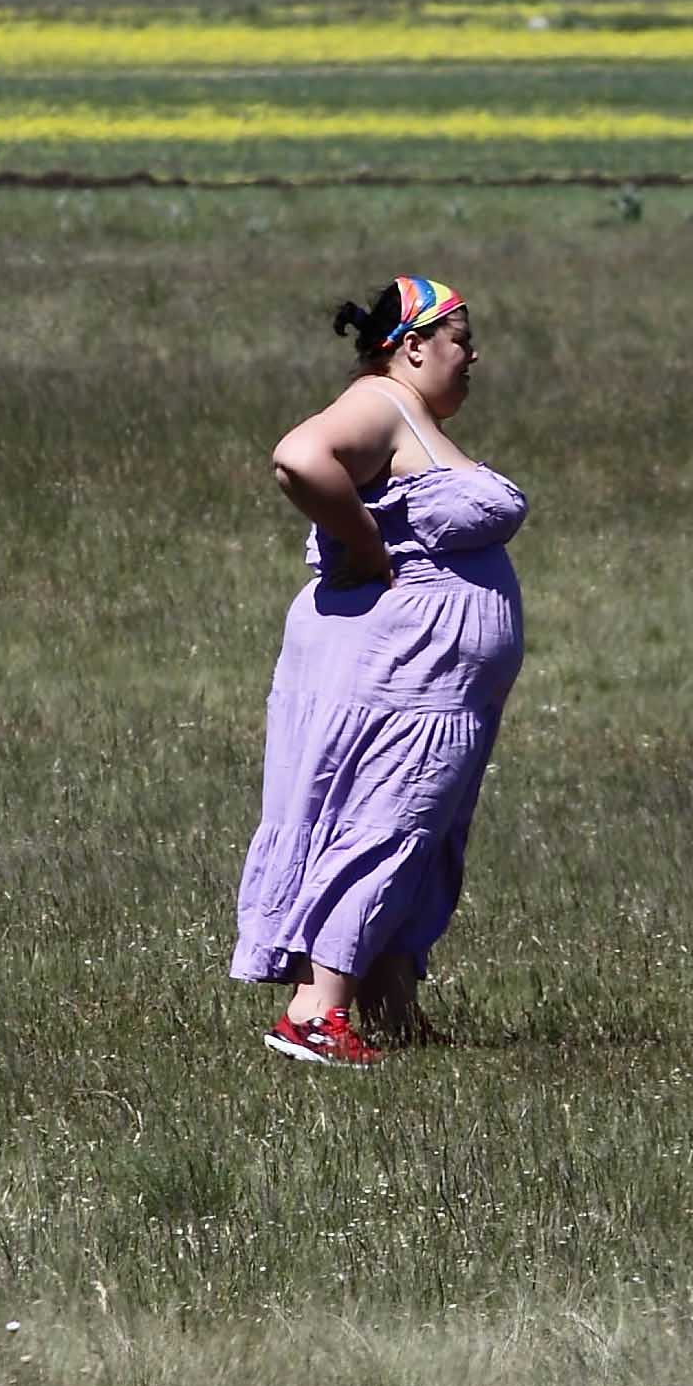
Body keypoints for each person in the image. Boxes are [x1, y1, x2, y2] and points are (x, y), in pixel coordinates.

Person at [232, 275, 527, 1066]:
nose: (473, 356)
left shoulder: (411, 417)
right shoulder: (382, 401)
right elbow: (299, 456)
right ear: (415, 345)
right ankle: (314, 1013)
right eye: (462, 340)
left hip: (434, 686)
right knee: (387, 822)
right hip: (399, 678)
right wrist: (365, 549)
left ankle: (388, 1003)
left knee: (420, 831)